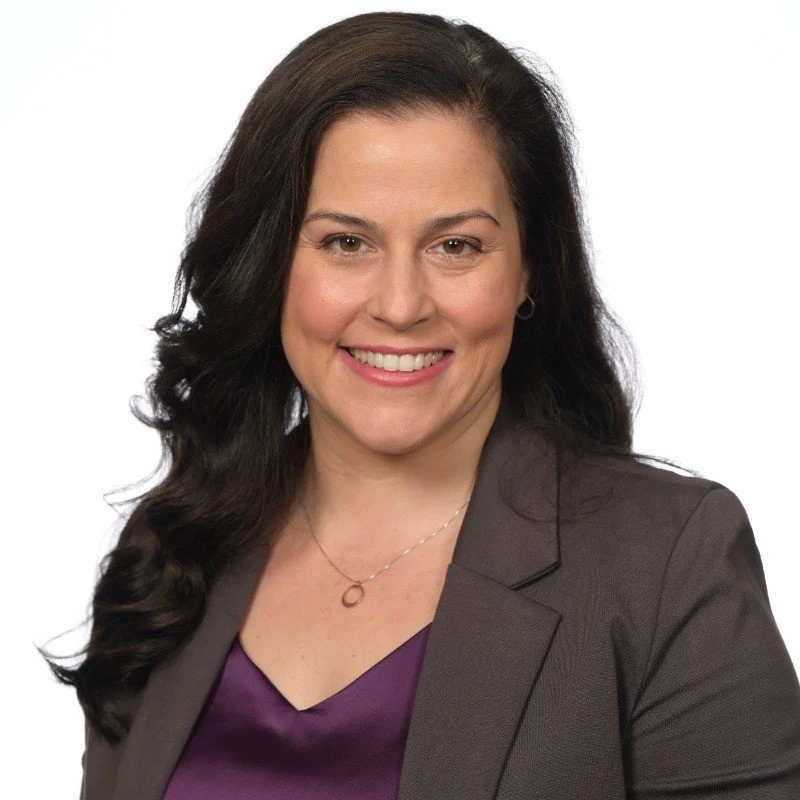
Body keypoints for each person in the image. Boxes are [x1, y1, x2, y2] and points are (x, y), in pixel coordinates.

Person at [42, 11, 800, 799]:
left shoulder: (665, 564)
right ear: (270, 263)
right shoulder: (172, 551)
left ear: (530, 268)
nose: (401, 305)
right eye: (346, 242)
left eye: (457, 246)